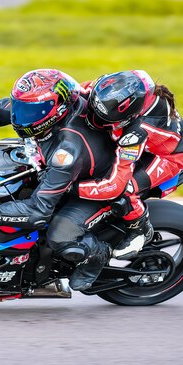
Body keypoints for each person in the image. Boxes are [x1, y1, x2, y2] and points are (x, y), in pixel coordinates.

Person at [0, 68, 116, 291]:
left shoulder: (68, 150)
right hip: (61, 168)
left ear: (58, 109)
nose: (20, 116)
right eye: (20, 107)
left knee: (60, 236)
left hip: (94, 187)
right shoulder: (38, 109)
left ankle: (97, 254)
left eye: (30, 111)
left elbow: (37, 211)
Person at [76, 70, 183, 259]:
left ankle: (140, 229)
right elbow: (78, 95)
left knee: (125, 189)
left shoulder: (136, 131)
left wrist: (72, 188)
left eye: (102, 118)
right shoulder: (105, 89)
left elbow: (114, 186)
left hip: (169, 158)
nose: (95, 118)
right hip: (151, 140)